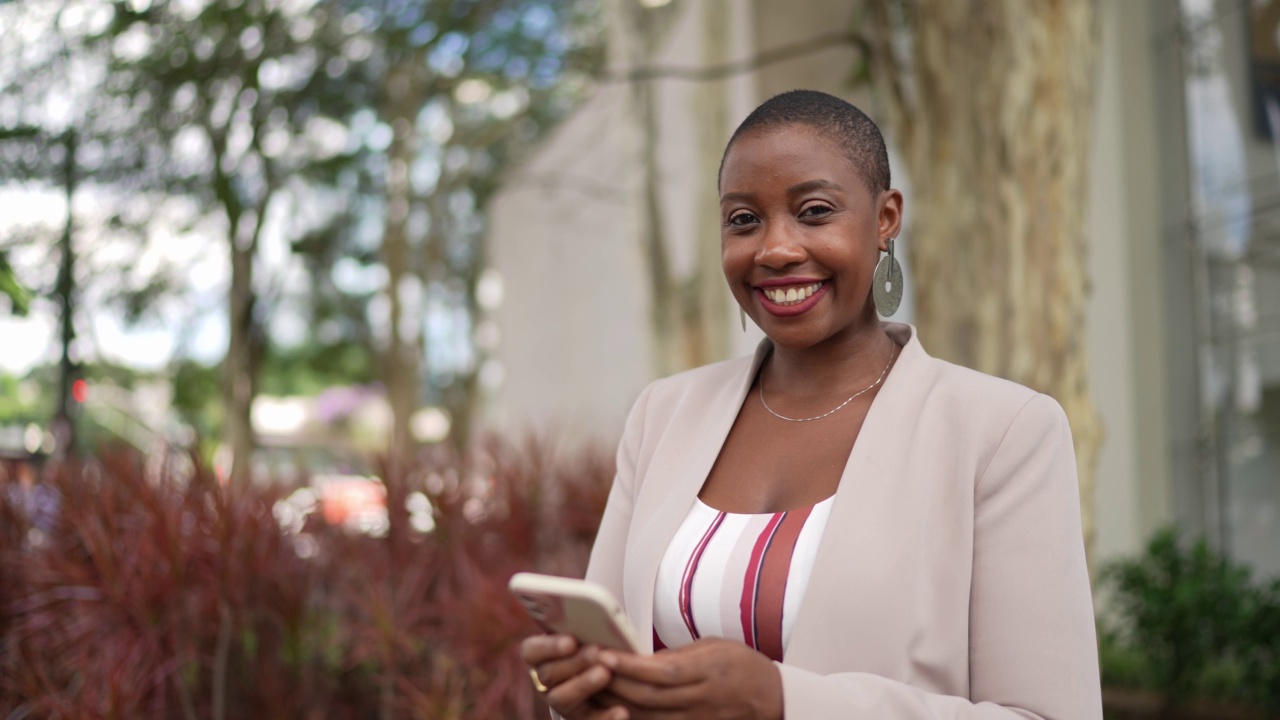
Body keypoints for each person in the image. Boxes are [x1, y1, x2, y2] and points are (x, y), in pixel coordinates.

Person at [520, 89, 1101, 720]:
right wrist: (585, 696)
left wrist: (781, 701)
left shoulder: (1003, 432)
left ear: (886, 218)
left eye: (815, 211)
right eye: (744, 220)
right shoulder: (662, 414)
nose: (775, 249)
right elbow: (616, 658)